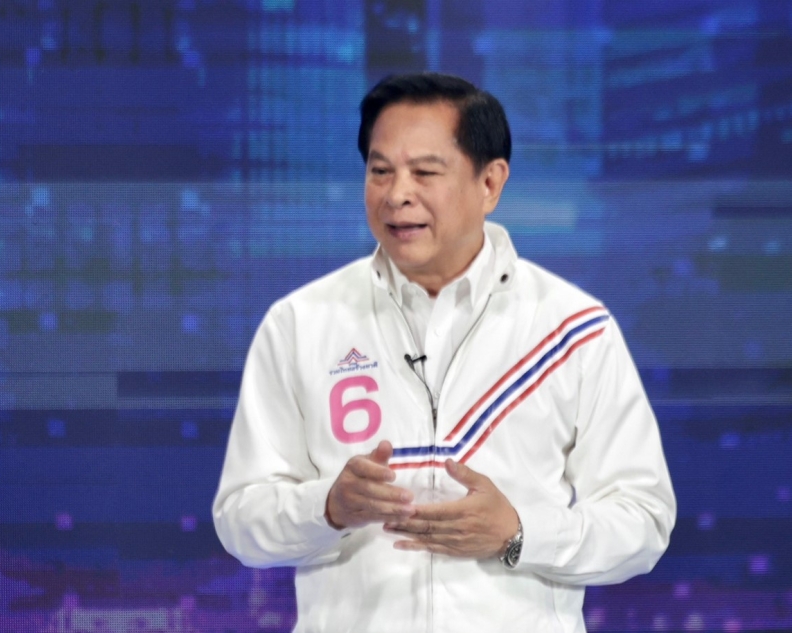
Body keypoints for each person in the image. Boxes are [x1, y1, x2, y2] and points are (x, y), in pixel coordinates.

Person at [213, 72, 676, 632]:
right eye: (380, 171)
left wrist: (519, 532)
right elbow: (240, 519)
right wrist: (328, 508)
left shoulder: (571, 329)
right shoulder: (301, 323)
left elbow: (643, 519)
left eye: (425, 172)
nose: (396, 194)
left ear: (490, 183)